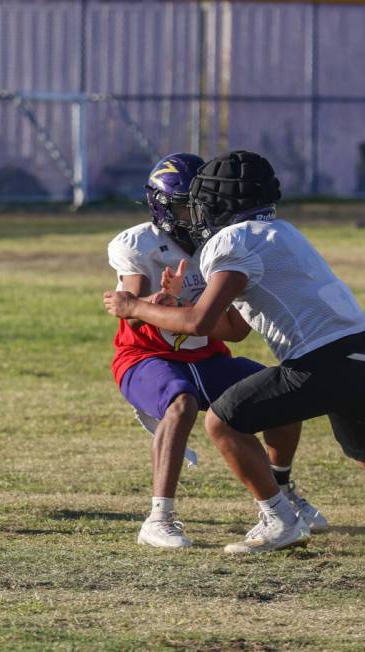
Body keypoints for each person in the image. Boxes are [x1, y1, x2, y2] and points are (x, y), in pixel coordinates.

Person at [104, 149, 365, 553]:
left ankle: (279, 519)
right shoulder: (284, 231)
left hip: (319, 363)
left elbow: (205, 325)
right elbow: (230, 326)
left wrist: (133, 307)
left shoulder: (229, 242)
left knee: (222, 422)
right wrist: (178, 302)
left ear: (216, 206)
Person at [108, 152, 326, 549]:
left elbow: (237, 330)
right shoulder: (139, 243)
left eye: (198, 206)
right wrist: (161, 299)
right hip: (145, 357)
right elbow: (134, 315)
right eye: (182, 208)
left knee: (282, 392)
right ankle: (159, 518)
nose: (193, 216)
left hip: (207, 356)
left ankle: (283, 494)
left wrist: (187, 307)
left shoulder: (223, 242)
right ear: (162, 207)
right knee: (181, 403)